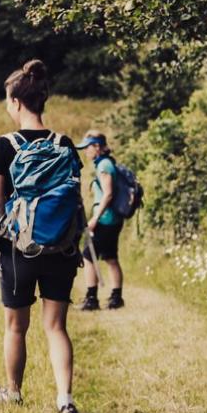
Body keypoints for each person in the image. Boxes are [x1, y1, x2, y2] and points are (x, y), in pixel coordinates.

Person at [0, 59, 83, 413]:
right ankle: (65, 400)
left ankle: (14, 392)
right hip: (61, 247)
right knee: (56, 326)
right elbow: (76, 198)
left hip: (17, 249)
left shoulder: (2, 147)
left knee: (15, 327)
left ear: (16, 102)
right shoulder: (65, 143)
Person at [78, 130, 126, 311]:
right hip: (113, 218)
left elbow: (108, 194)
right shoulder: (107, 163)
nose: (86, 151)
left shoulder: (104, 165)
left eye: (88, 147)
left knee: (88, 257)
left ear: (97, 147)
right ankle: (116, 297)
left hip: (105, 219)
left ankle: (92, 299)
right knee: (110, 257)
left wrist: (95, 218)